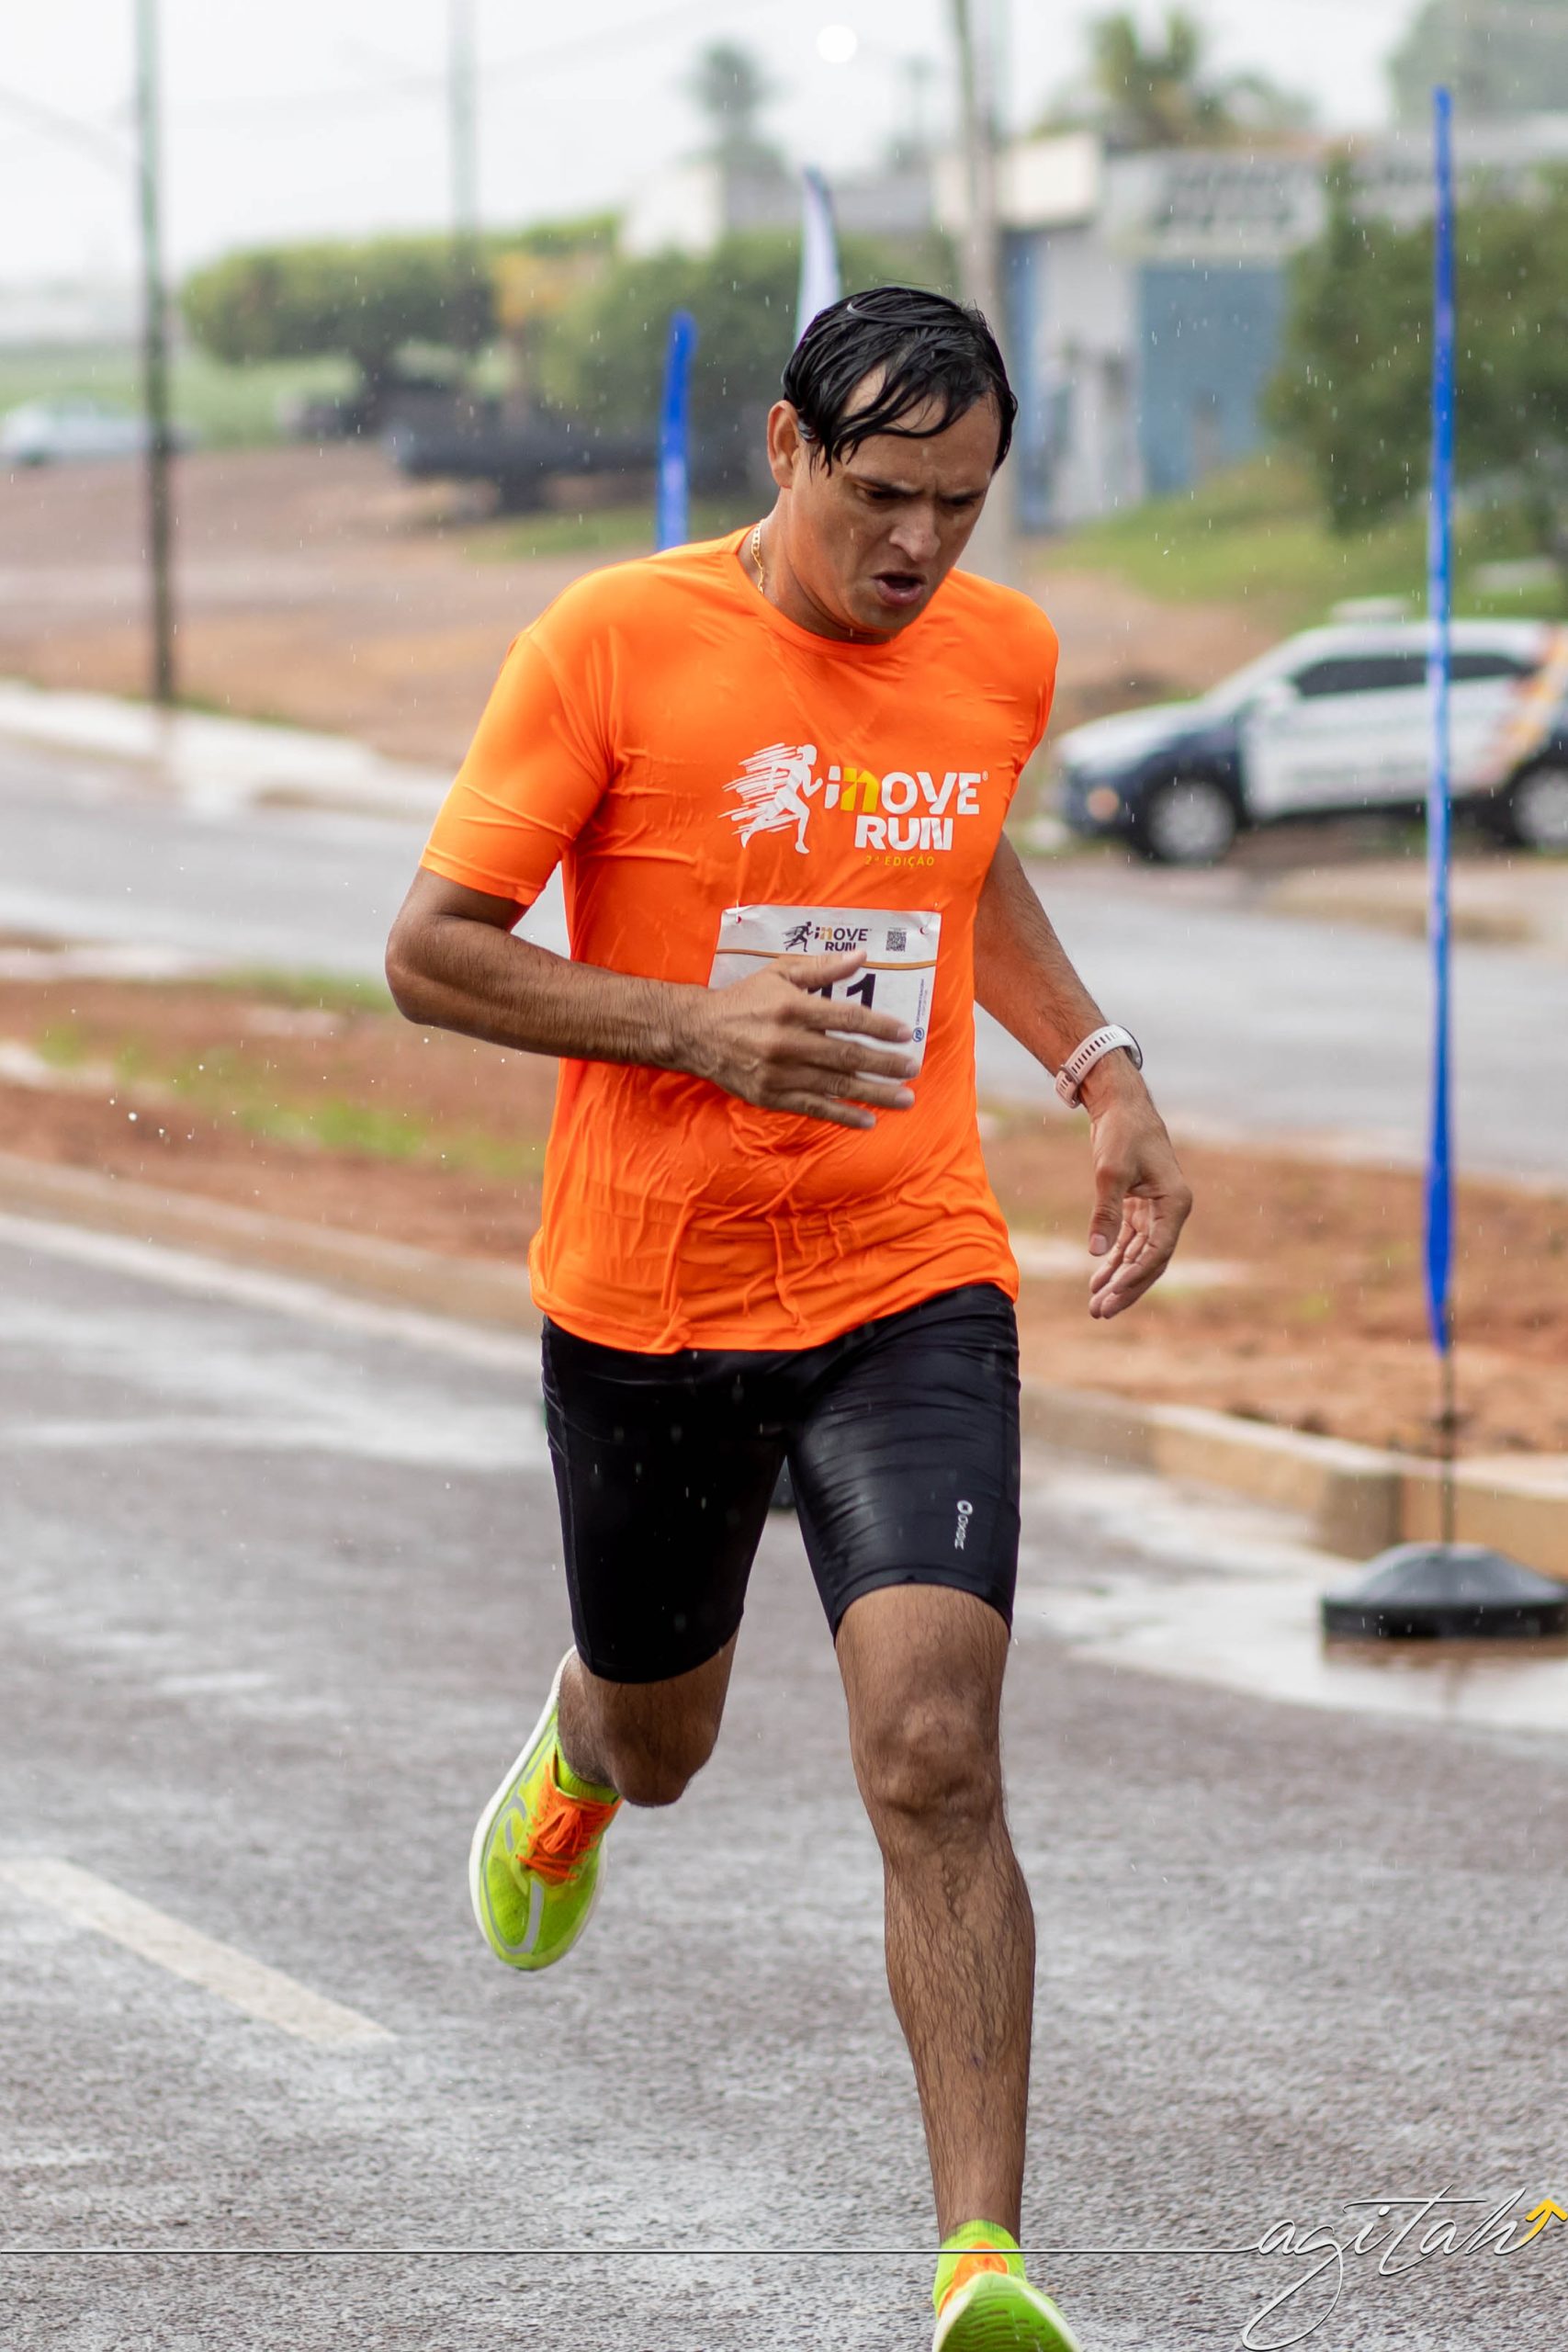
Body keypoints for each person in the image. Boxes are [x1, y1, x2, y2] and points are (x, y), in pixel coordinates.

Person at [385, 286, 1192, 2352]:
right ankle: (583, 1743)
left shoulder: (996, 654)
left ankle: (981, 2262)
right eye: (881, 495)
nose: (918, 546)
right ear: (784, 448)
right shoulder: (611, 641)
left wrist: (1100, 1069)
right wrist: (693, 1023)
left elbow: (962, 858)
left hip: (906, 1272)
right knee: (667, 1743)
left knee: (933, 1752)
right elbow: (431, 953)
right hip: (650, 1297)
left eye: (961, 504)